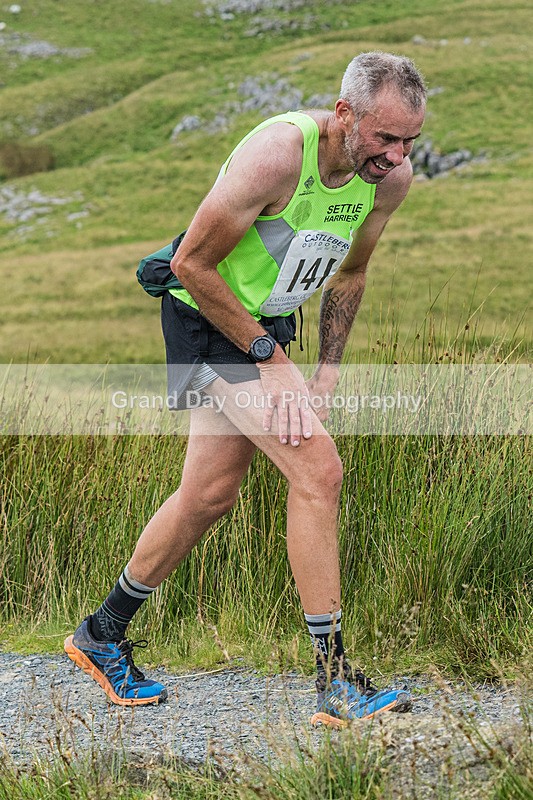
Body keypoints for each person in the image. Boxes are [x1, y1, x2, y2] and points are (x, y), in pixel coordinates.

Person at [65, 52, 426, 727]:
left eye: (409, 140)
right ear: (343, 114)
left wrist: (326, 368)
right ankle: (335, 680)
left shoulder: (388, 181)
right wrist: (269, 357)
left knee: (207, 495)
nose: (396, 154)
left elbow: (349, 274)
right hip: (206, 315)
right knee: (318, 469)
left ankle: (102, 633)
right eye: (384, 137)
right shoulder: (275, 156)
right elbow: (190, 265)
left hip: (261, 323)